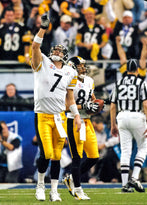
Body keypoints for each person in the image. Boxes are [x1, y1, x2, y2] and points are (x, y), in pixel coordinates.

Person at [31, 12, 81, 202]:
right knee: (46, 152)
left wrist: (76, 115)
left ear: (66, 55)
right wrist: (43, 29)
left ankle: (53, 190)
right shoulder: (42, 61)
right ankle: (40, 186)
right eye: (55, 49)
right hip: (43, 115)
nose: (57, 51)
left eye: (60, 50)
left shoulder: (70, 71)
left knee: (57, 156)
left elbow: (69, 97)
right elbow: (36, 46)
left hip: (59, 116)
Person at [63, 56, 101, 200]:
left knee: (94, 157)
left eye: (84, 65)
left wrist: (96, 105)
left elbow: (93, 99)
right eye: (80, 66)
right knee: (77, 158)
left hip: (87, 121)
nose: (83, 68)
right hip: (74, 121)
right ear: (73, 67)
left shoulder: (90, 81)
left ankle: (71, 178)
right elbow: (66, 107)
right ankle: (77, 189)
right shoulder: (68, 81)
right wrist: (84, 106)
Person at [110, 58, 147, 192]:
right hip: (137, 116)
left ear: (126, 70)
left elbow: (112, 106)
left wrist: (112, 124)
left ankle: (124, 185)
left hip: (121, 117)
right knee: (143, 147)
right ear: (137, 70)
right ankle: (134, 177)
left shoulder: (118, 83)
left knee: (125, 151)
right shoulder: (141, 82)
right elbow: (146, 104)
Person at [89, 115, 120, 184]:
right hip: (100, 152)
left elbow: (117, 139)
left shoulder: (109, 129)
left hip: (113, 150)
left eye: (96, 127)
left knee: (109, 156)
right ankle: (94, 177)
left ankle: (114, 177)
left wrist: (105, 145)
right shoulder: (94, 132)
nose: (95, 129)